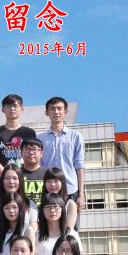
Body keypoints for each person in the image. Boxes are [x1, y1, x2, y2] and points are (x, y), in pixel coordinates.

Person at [38, 97, 85, 227]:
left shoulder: (76, 137)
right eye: (52, 109)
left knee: (72, 229)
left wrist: (81, 194)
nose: (56, 112)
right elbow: (39, 166)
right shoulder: (40, 139)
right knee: (49, 229)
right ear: (47, 112)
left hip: (71, 190)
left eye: (59, 108)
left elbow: (79, 166)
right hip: (48, 191)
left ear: (66, 112)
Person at [0, 94, 37, 173]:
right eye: (8, 106)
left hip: (25, 176)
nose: (12, 109)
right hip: (2, 176)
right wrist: (5, 176)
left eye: (15, 106)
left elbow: (32, 156)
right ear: (2, 109)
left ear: (22, 108)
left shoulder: (29, 132)